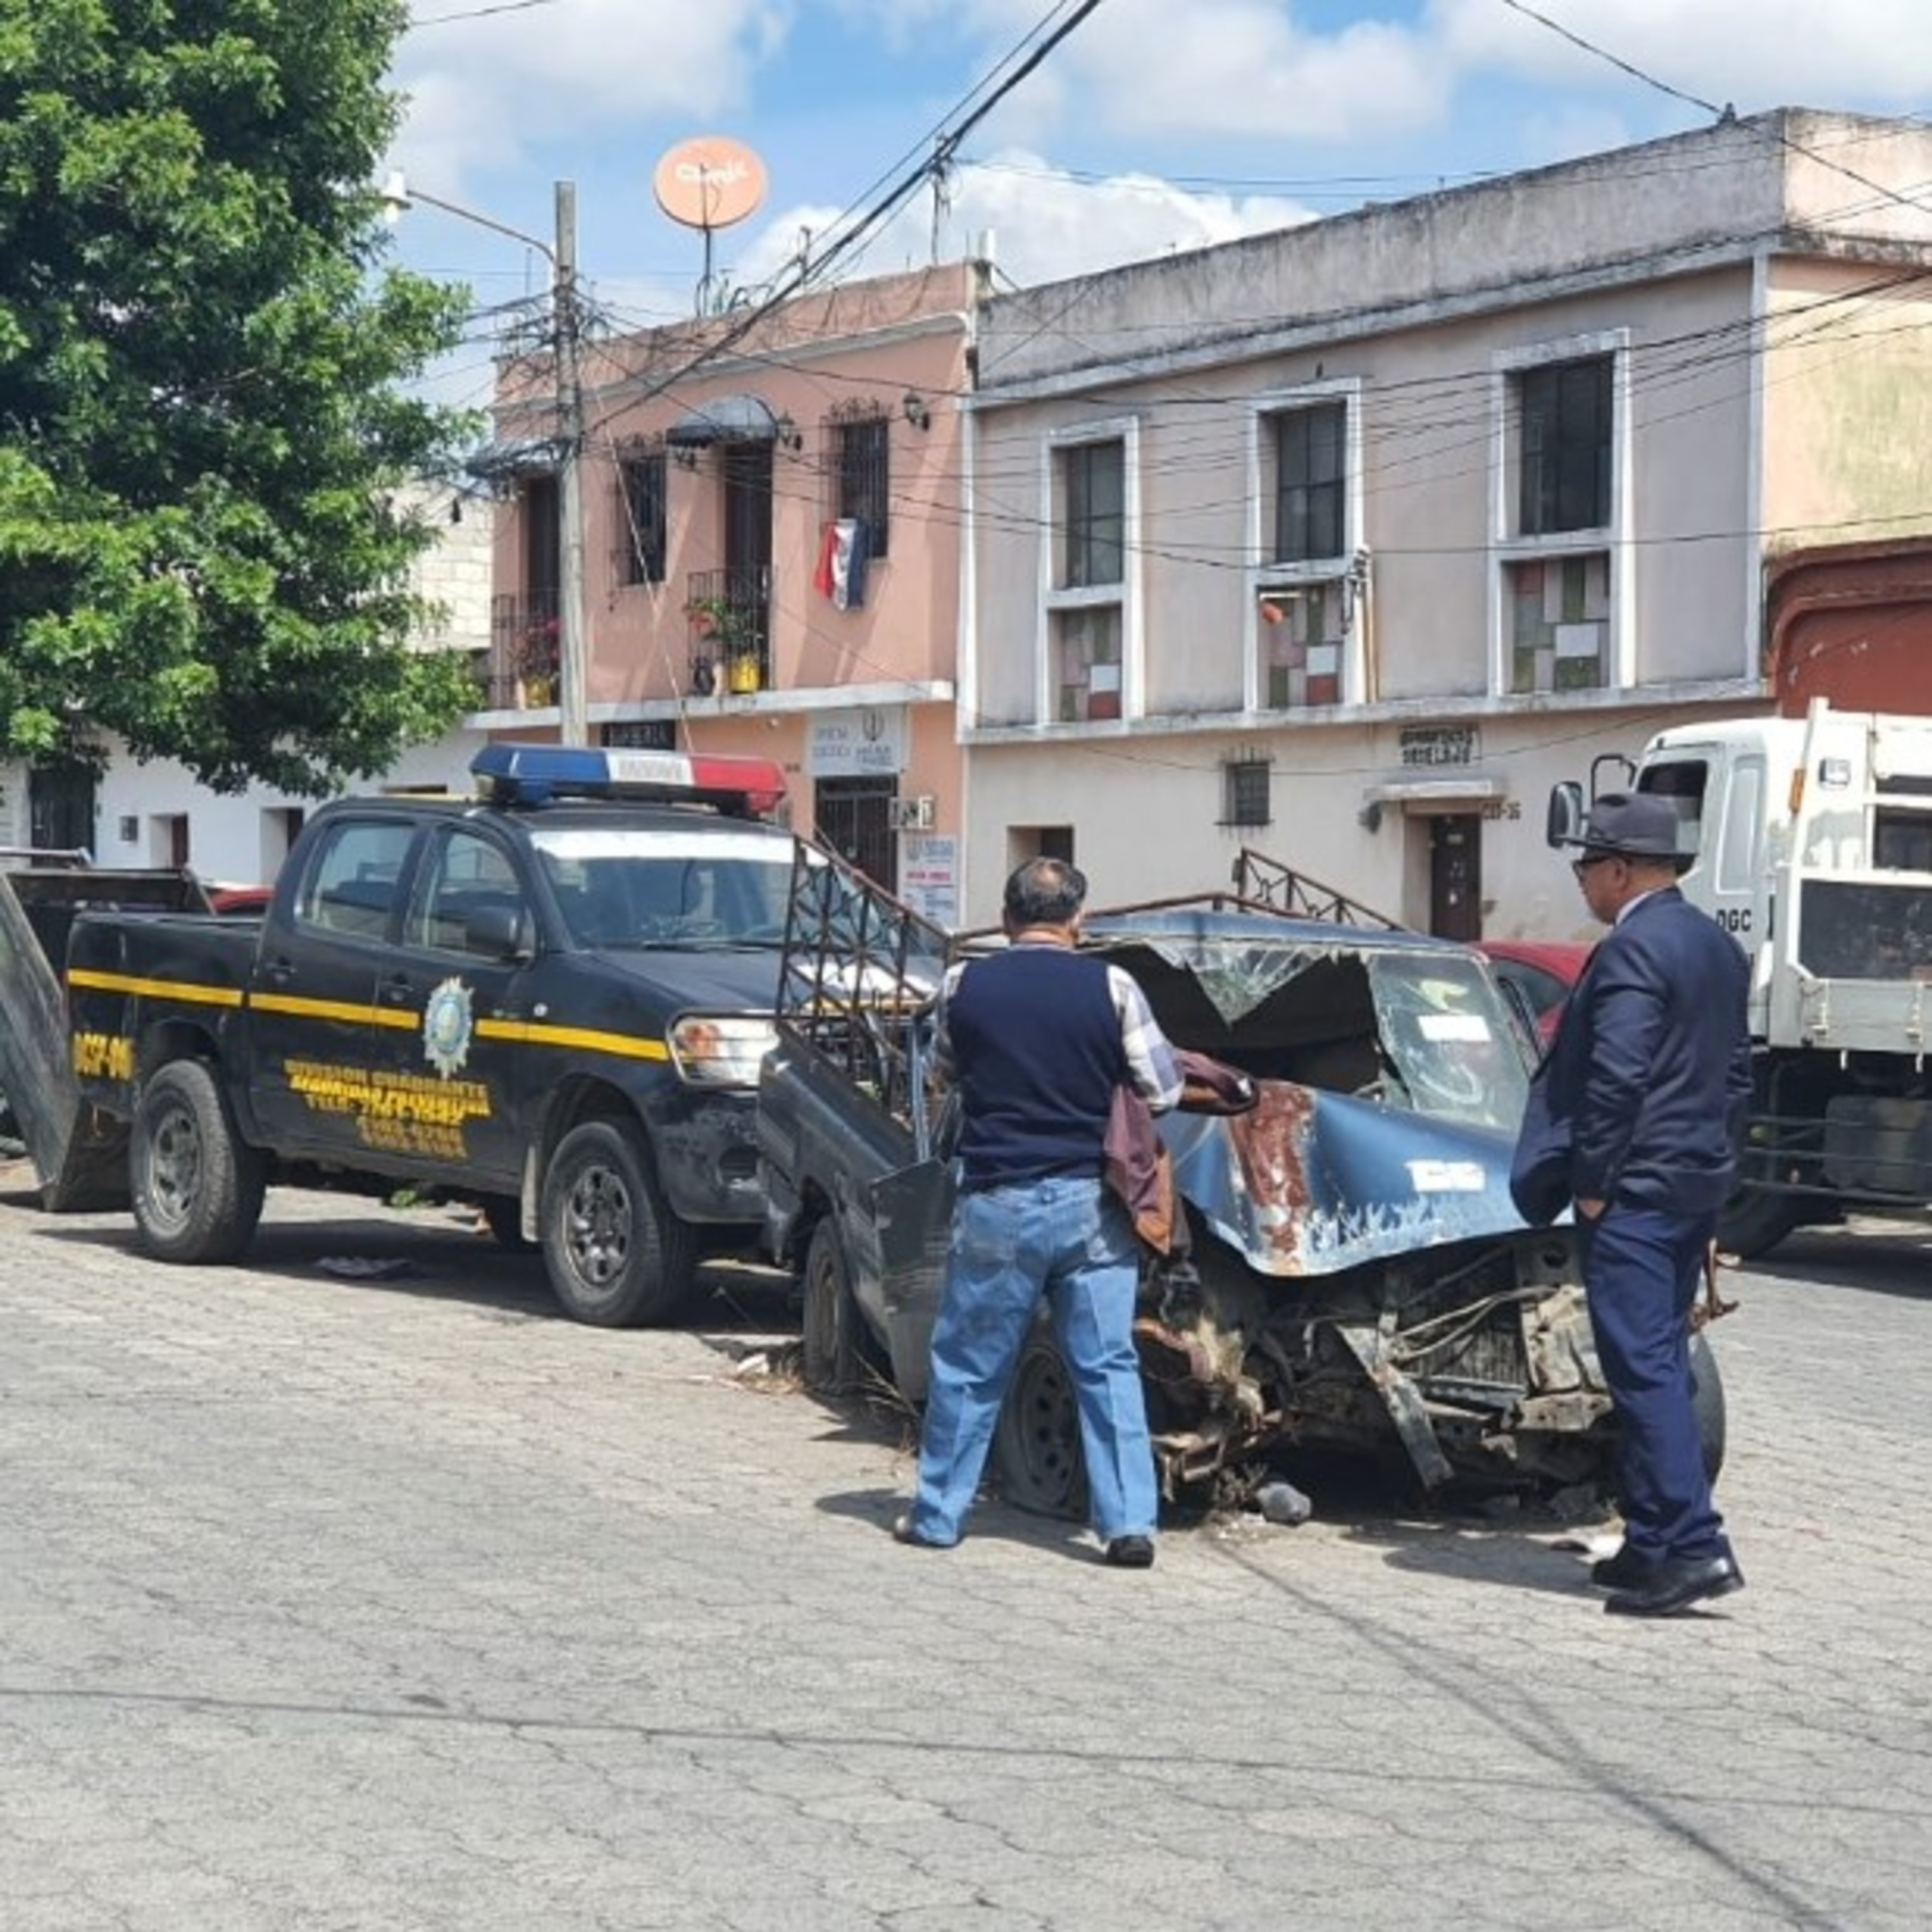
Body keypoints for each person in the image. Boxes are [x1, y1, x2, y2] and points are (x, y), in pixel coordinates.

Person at [894, 856, 1182, 1566]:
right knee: (1107, 1365)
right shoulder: (1113, 986)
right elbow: (1165, 1090)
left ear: (1008, 916)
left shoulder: (965, 984)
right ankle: (1127, 1528)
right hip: (1090, 1207)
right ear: (1078, 921)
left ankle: (938, 1518)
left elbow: (938, 1076)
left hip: (998, 1201)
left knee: (968, 1364)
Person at [1522, 791, 1752, 1616]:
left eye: (1586, 864)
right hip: (1690, 1185)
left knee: (1643, 1366)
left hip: (1634, 1191)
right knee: (1656, 1356)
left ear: (1621, 870)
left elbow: (1615, 1076)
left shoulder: (1630, 952)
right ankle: (1652, 1540)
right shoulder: (1715, 946)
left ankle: (1692, 1544)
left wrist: (1591, 1182)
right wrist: (1714, 1174)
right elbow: (1732, 1078)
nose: (1582, 880)